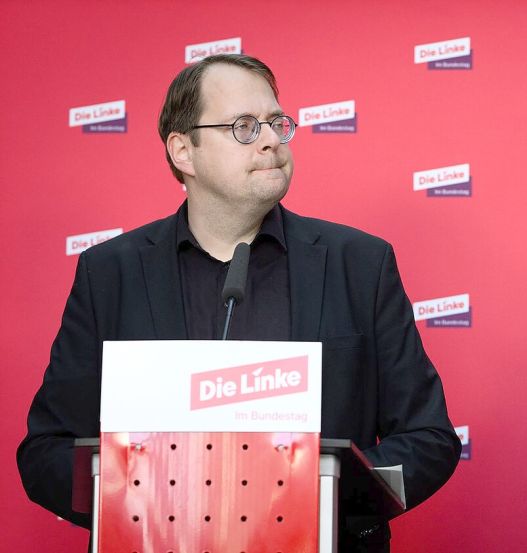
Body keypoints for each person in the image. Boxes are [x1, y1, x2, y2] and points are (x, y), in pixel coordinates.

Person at [17, 54, 460, 551]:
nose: (271, 139)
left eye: (277, 123)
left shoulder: (360, 263)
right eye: (245, 127)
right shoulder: (110, 274)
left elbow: (429, 439)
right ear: (184, 150)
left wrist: (325, 491)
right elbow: (44, 453)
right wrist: (136, 494)